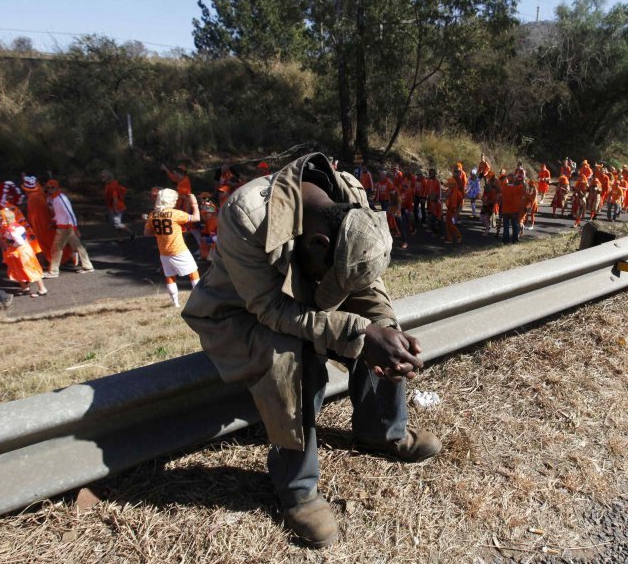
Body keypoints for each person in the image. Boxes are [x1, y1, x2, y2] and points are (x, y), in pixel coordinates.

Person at [181, 153, 441, 548]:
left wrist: (383, 329)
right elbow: (271, 309)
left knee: (380, 333)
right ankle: (297, 489)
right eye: (331, 276)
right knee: (294, 361)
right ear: (318, 244)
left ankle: (381, 430)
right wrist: (358, 332)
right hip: (243, 315)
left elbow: (365, 284)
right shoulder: (246, 214)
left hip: (301, 303)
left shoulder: (350, 196)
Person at [144, 188, 200, 307]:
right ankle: (200, 299)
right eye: (175, 199)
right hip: (179, 249)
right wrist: (194, 205)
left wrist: (161, 234)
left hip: (164, 251)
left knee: (170, 276)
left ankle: (175, 303)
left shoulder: (153, 215)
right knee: (193, 273)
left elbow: (147, 232)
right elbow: (196, 218)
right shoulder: (175, 214)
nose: (175, 202)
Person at [42, 180, 94, 278]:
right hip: (65, 226)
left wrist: (75, 228)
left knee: (56, 248)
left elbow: (70, 214)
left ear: (57, 187)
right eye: (48, 187)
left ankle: (53, 271)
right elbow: (59, 214)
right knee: (78, 246)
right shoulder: (55, 198)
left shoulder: (60, 199)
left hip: (65, 227)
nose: (49, 189)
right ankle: (88, 266)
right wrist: (54, 221)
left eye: (52, 187)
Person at [0, 208, 47, 298]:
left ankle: (42, 289)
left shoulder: (11, 230)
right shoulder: (15, 226)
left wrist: (11, 244)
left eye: (0, 221)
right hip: (20, 251)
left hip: (21, 252)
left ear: (5, 220)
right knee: (17, 269)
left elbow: (19, 242)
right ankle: (24, 287)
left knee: (30, 269)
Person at [102, 170, 135, 241]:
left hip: (117, 207)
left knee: (117, 224)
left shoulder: (112, 186)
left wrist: (115, 209)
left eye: (103, 176)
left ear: (108, 177)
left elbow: (115, 198)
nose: (102, 178)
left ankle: (131, 232)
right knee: (117, 223)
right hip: (115, 207)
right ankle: (120, 238)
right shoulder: (109, 185)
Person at [498, 175, 524, 243]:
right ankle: (515, 240)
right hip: (514, 209)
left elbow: (500, 196)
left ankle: (505, 240)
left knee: (506, 226)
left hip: (505, 209)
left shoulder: (504, 188)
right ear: (514, 180)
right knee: (515, 225)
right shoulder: (517, 188)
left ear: (508, 180)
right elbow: (522, 193)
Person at [444, 174, 463, 244]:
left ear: (453, 184)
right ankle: (449, 238)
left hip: (454, 210)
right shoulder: (449, 191)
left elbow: (460, 204)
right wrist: (448, 191)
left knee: (451, 225)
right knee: (447, 225)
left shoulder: (458, 192)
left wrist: (457, 213)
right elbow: (445, 196)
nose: (448, 185)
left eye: (449, 184)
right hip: (449, 209)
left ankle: (458, 236)